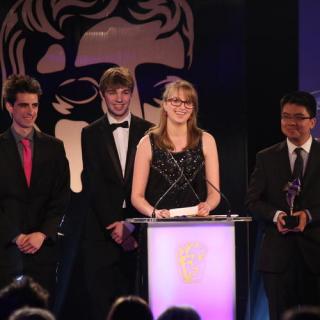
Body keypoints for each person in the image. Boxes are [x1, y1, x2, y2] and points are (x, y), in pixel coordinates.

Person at [81, 66, 153, 320]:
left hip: (138, 232)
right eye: (113, 93)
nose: (120, 98)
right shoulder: (90, 133)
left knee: (139, 305)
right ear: (103, 95)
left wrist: (131, 225)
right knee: (102, 306)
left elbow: (151, 184)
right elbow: (92, 182)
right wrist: (116, 228)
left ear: (132, 93)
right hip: (102, 233)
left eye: (125, 92)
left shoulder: (150, 131)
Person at [246, 91, 320, 320]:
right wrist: (276, 215)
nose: (291, 123)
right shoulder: (266, 157)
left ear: (312, 122)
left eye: (298, 117)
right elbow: (252, 201)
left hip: (316, 257)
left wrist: (309, 215)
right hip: (277, 259)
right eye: (286, 116)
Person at [0, 74, 70, 304]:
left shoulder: (55, 147)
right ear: (10, 106)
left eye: (34, 105)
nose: (31, 111)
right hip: (6, 249)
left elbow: (61, 198)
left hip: (43, 251)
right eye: (23, 105)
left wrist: (42, 234)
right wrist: (15, 235)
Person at [131, 80, 220, 218]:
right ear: (165, 105)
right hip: (159, 228)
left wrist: (207, 205)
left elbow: (215, 194)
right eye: (175, 101)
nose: (182, 107)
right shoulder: (147, 143)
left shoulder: (207, 140)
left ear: (193, 108)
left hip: (196, 226)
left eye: (188, 102)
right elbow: (137, 197)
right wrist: (154, 212)